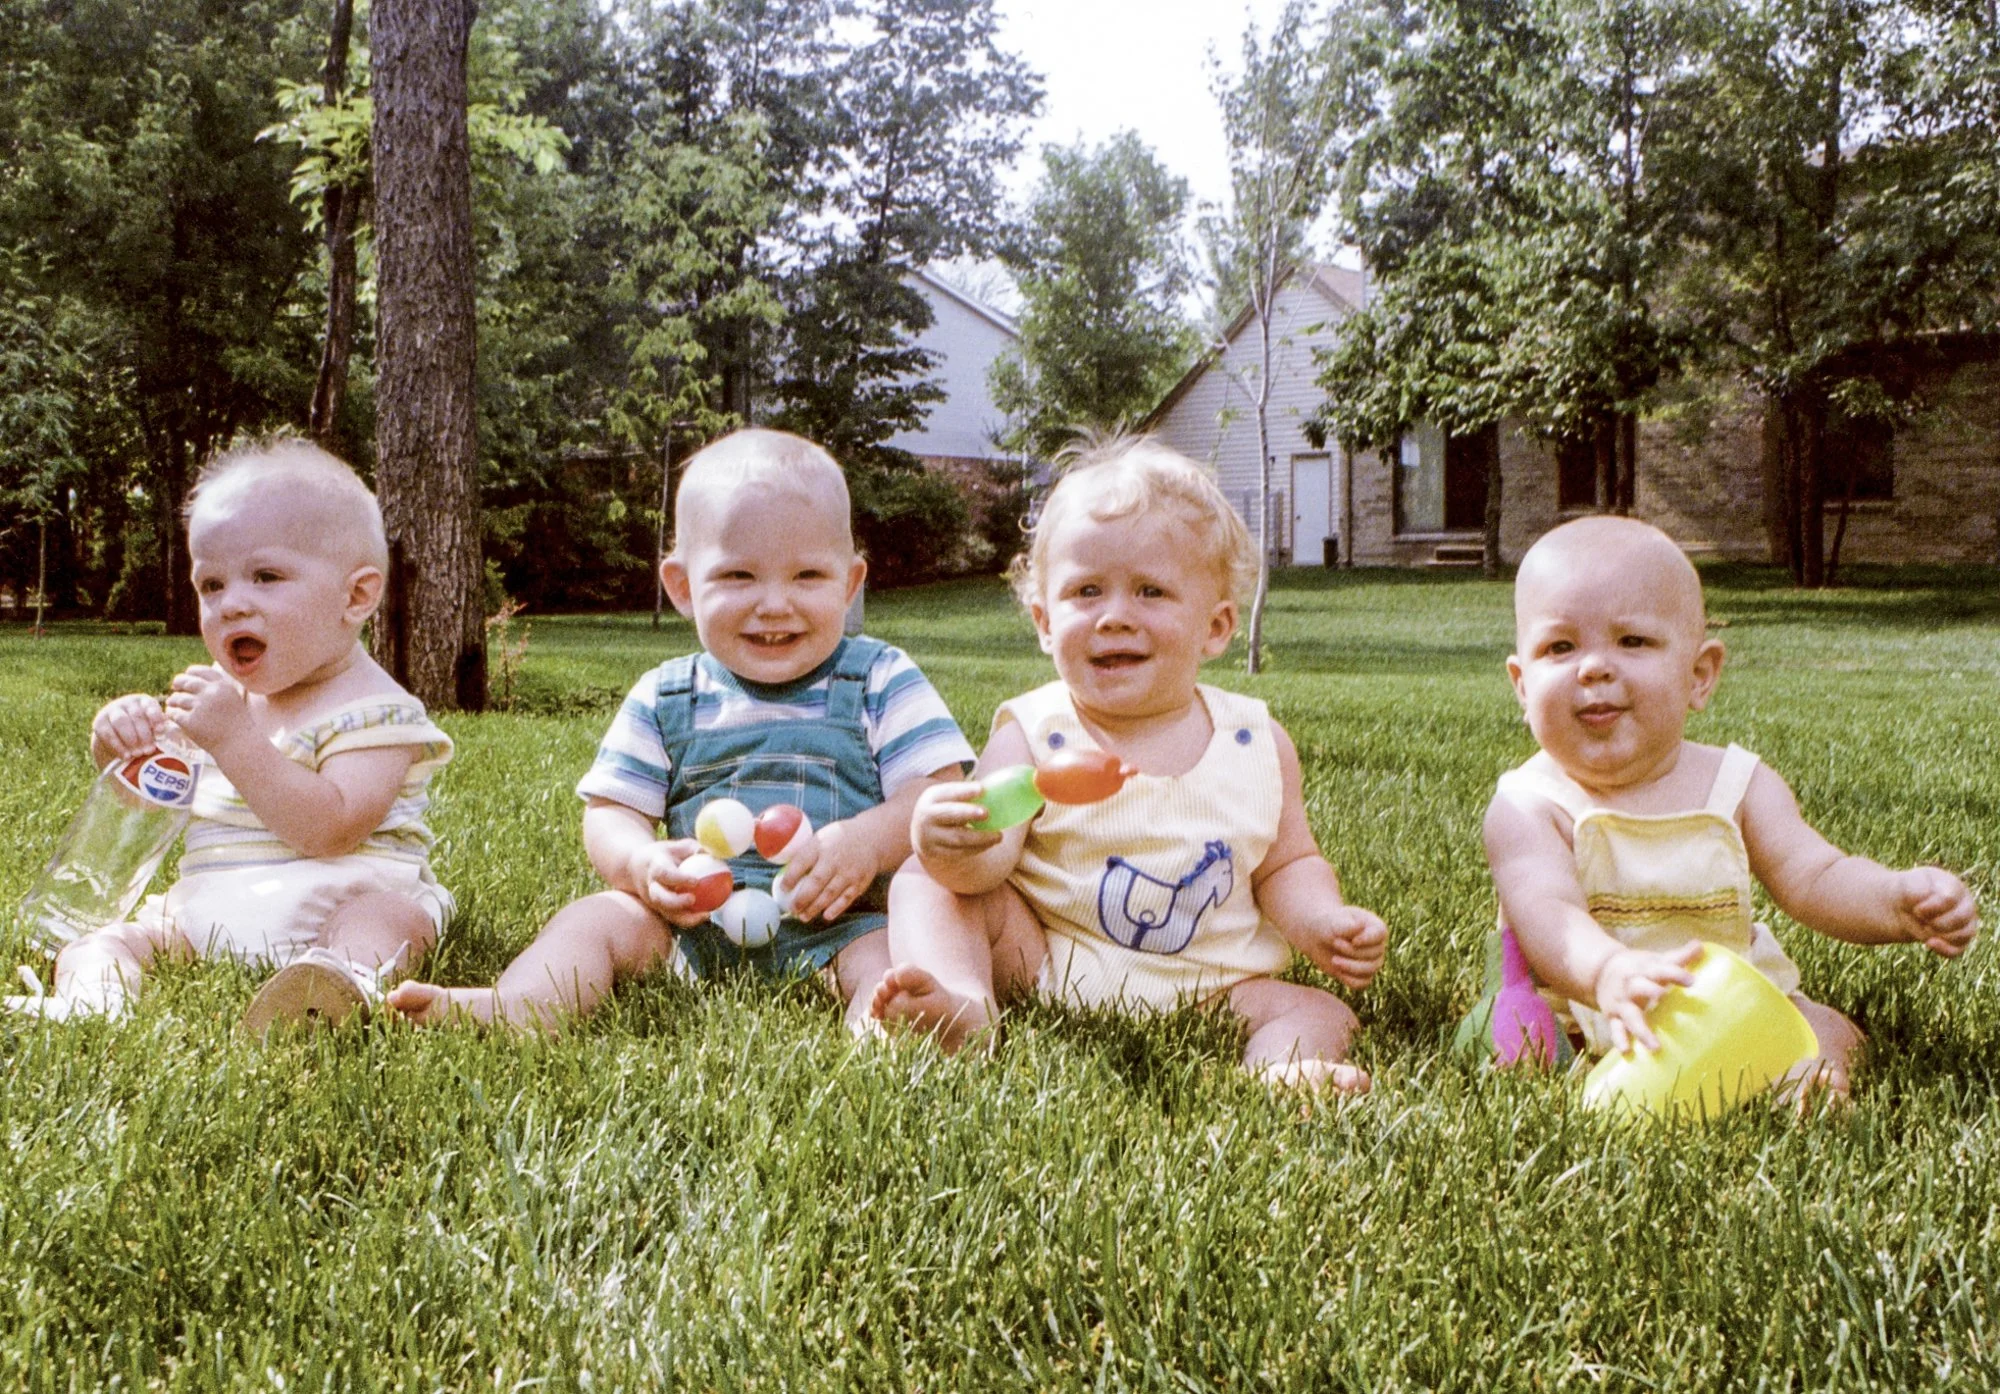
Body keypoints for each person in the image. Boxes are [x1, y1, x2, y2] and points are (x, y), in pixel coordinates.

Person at [387, 428, 973, 1032]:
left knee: (886, 959)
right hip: (689, 928)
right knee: (593, 920)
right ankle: (525, 1003)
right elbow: (610, 812)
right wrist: (639, 862)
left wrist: (867, 842)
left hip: (840, 923)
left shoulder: (880, 678)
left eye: (808, 577)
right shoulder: (664, 696)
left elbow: (936, 793)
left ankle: (883, 1023)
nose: (774, 603)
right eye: (739, 577)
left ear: (850, 585)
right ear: (683, 588)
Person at [869, 436, 1388, 1091]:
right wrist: (952, 844)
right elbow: (985, 868)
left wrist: (1319, 921)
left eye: (1150, 592)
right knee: (928, 882)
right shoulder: (1034, 732)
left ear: (1217, 627)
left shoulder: (1255, 741)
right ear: (1044, 623)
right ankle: (963, 1004)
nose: (1115, 617)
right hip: (1052, 965)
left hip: (1215, 983)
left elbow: (1289, 862)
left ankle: (1277, 1076)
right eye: (1087, 591)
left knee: (1321, 1010)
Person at [1480, 514, 1979, 1097]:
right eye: (1560, 647)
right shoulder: (1528, 806)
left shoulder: (1737, 784)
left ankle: (1813, 1080)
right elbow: (1550, 914)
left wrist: (1892, 903)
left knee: (1823, 1026)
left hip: (1735, 1004)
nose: (1593, 666)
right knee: (1535, 1062)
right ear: (1522, 685)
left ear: (1699, 675)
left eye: (1632, 640)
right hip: (1591, 1012)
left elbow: (1813, 876)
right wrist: (1609, 972)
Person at [6, 439, 454, 1031]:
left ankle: (335, 985)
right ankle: (96, 1004)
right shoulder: (219, 702)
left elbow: (331, 829)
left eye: (266, 576)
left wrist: (237, 741)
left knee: (389, 923)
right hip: (209, 911)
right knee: (103, 940)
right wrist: (120, 746)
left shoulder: (378, 713)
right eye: (211, 585)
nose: (231, 605)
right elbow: (153, 795)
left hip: (340, 898)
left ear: (356, 596)